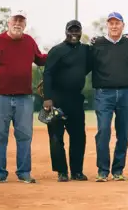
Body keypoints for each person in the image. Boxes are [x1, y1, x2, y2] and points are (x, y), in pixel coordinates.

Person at [0, 9, 47, 184]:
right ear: (8, 23)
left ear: (25, 25)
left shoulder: (29, 41)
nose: (18, 24)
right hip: (0, 97)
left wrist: (59, 52)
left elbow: (40, 59)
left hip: (24, 97)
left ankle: (24, 172)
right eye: (15, 21)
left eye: (21, 21)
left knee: (25, 135)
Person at [90, 12, 128, 182]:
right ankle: (103, 170)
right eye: (111, 23)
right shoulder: (97, 44)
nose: (114, 26)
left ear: (123, 25)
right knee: (103, 131)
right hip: (104, 93)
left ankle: (118, 170)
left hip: (127, 93)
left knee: (123, 133)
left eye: (117, 23)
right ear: (107, 25)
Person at [42, 20, 91, 182]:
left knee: (78, 137)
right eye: (71, 30)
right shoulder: (57, 51)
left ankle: (77, 171)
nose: (74, 33)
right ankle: (62, 171)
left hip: (76, 99)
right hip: (57, 99)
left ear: (81, 32)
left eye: (77, 30)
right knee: (56, 137)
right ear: (66, 32)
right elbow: (47, 73)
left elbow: (93, 63)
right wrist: (47, 98)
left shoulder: (86, 50)